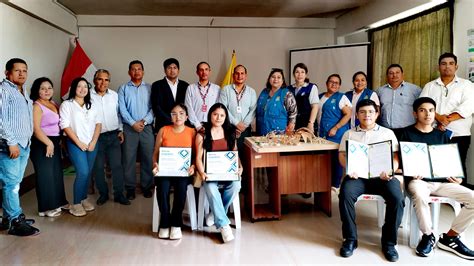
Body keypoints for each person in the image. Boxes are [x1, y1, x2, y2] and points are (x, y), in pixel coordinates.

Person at [399, 97, 474, 259]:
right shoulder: (406, 133)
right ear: (415, 113)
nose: (427, 114)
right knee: (419, 195)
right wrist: (410, 171)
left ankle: (450, 237)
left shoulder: (441, 136)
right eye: (422, 110)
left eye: (431, 110)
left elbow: (451, 161)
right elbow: (401, 161)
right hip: (419, 181)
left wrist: (458, 177)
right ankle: (428, 235)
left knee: (473, 198)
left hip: (442, 182)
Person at [338, 99, 404, 262]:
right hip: (357, 177)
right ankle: (350, 240)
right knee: (345, 194)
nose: (366, 115)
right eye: (362, 112)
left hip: (382, 176)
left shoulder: (387, 133)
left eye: (370, 112)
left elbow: (396, 157)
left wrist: (390, 170)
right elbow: (341, 155)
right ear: (357, 114)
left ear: (377, 114)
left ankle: (389, 242)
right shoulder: (349, 133)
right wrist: (349, 168)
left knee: (397, 198)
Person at [420, 52, 474, 186]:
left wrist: (447, 120)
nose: (447, 67)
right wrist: (438, 117)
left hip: (458, 133)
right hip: (434, 132)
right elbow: (422, 103)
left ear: (456, 66)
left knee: (458, 165)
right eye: (443, 64)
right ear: (439, 67)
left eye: (451, 63)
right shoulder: (430, 86)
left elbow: (468, 106)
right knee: (435, 164)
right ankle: (438, 195)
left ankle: (461, 200)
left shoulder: (466, 85)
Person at [0, 58, 40, 236]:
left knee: (15, 182)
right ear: (7, 72)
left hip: (24, 144)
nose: (22, 73)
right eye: (17, 70)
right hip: (10, 145)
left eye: (25, 70)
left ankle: (9, 218)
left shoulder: (23, 93)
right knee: (11, 184)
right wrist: (11, 142)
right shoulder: (3, 90)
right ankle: (15, 221)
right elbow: (1, 119)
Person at [195, 103, 242, 243]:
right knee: (210, 186)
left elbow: (235, 153)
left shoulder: (230, 132)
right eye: (215, 114)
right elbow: (198, 158)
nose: (218, 117)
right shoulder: (202, 133)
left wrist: (240, 167)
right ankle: (223, 225)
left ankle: (215, 214)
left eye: (222, 115)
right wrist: (202, 172)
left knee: (236, 185)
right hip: (210, 172)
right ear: (210, 115)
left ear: (226, 117)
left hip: (227, 172)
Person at [152, 103, 196, 240]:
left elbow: (196, 155)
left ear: (187, 116)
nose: (178, 116)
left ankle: (176, 223)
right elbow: (155, 153)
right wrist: (155, 164)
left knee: (181, 188)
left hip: (183, 172)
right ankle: (164, 223)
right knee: (162, 187)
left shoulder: (192, 132)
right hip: (165, 171)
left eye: (181, 113)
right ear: (170, 117)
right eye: (174, 114)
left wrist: (193, 166)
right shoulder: (163, 130)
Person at [60, 77, 101, 217]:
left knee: (88, 172)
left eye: (85, 86)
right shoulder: (67, 104)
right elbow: (65, 125)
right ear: (73, 88)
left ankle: (83, 199)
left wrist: (94, 142)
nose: (83, 89)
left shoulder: (92, 104)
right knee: (82, 172)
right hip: (75, 143)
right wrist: (79, 142)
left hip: (92, 143)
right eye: (79, 86)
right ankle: (76, 203)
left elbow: (98, 124)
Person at [30, 77, 68, 217]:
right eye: (43, 88)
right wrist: (49, 143)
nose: (47, 91)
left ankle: (59, 201)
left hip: (54, 142)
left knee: (56, 173)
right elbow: (36, 129)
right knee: (45, 175)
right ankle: (46, 208)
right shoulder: (37, 106)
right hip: (42, 143)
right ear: (37, 90)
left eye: (49, 88)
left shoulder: (53, 103)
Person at [91, 69, 130, 206]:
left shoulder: (114, 95)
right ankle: (103, 194)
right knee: (98, 167)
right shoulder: (88, 96)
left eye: (106, 79)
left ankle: (119, 194)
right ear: (95, 80)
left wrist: (120, 130)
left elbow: (119, 114)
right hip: (96, 137)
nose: (103, 82)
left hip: (114, 135)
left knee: (117, 166)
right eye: (100, 79)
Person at [118, 60, 155, 200]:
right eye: (133, 69)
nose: (136, 71)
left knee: (147, 158)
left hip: (146, 128)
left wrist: (144, 121)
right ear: (129, 72)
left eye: (139, 69)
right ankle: (130, 188)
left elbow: (153, 108)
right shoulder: (123, 89)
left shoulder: (150, 88)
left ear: (143, 71)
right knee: (128, 159)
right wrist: (133, 123)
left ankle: (146, 186)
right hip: (129, 128)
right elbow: (122, 109)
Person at [318, 74, 351, 188]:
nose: (334, 84)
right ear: (326, 83)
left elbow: (348, 114)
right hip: (322, 134)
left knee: (336, 160)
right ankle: (324, 184)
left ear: (339, 86)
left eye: (336, 83)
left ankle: (335, 185)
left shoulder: (341, 97)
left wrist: (336, 127)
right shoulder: (320, 97)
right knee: (324, 160)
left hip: (336, 134)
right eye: (331, 82)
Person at [218, 64, 257, 151]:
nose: (240, 76)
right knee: (230, 155)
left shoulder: (251, 91)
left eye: (242, 73)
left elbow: (253, 110)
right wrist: (236, 123)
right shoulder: (225, 89)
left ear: (246, 76)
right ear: (233, 75)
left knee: (245, 156)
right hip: (229, 128)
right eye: (237, 73)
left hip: (245, 130)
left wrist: (243, 126)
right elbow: (223, 108)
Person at [376, 64, 421, 138]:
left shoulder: (415, 90)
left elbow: (421, 108)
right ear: (387, 75)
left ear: (402, 74)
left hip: (408, 130)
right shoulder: (380, 91)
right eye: (391, 73)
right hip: (385, 130)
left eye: (397, 72)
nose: (394, 75)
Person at [151, 58, 190, 133]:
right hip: (163, 125)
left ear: (178, 70)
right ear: (165, 70)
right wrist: (171, 119)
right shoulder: (157, 85)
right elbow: (156, 107)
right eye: (169, 68)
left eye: (175, 68)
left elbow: (187, 106)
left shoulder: (185, 85)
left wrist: (179, 119)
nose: (172, 70)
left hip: (182, 125)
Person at [256, 68, 297, 135]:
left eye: (278, 77)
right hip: (262, 132)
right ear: (269, 79)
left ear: (282, 80)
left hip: (279, 135)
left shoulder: (287, 94)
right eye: (273, 77)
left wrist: (290, 129)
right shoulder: (264, 92)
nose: (275, 79)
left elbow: (293, 113)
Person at [184, 62, 220, 131]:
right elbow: (188, 107)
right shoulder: (191, 88)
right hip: (194, 126)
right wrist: (197, 125)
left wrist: (213, 123)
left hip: (212, 126)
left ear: (210, 71)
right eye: (201, 70)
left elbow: (218, 108)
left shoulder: (217, 88)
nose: (204, 72)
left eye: (206, 69)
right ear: (197, 72)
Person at [288, 63, 319, 133]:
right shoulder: (289, 89)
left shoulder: (311, 87)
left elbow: (315, 107)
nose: (300, 75)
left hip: (307, 123)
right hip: (292, 123)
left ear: (306, 74)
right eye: (297, 72)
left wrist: (311, 123)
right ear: (293, 74)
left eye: (302, 72)